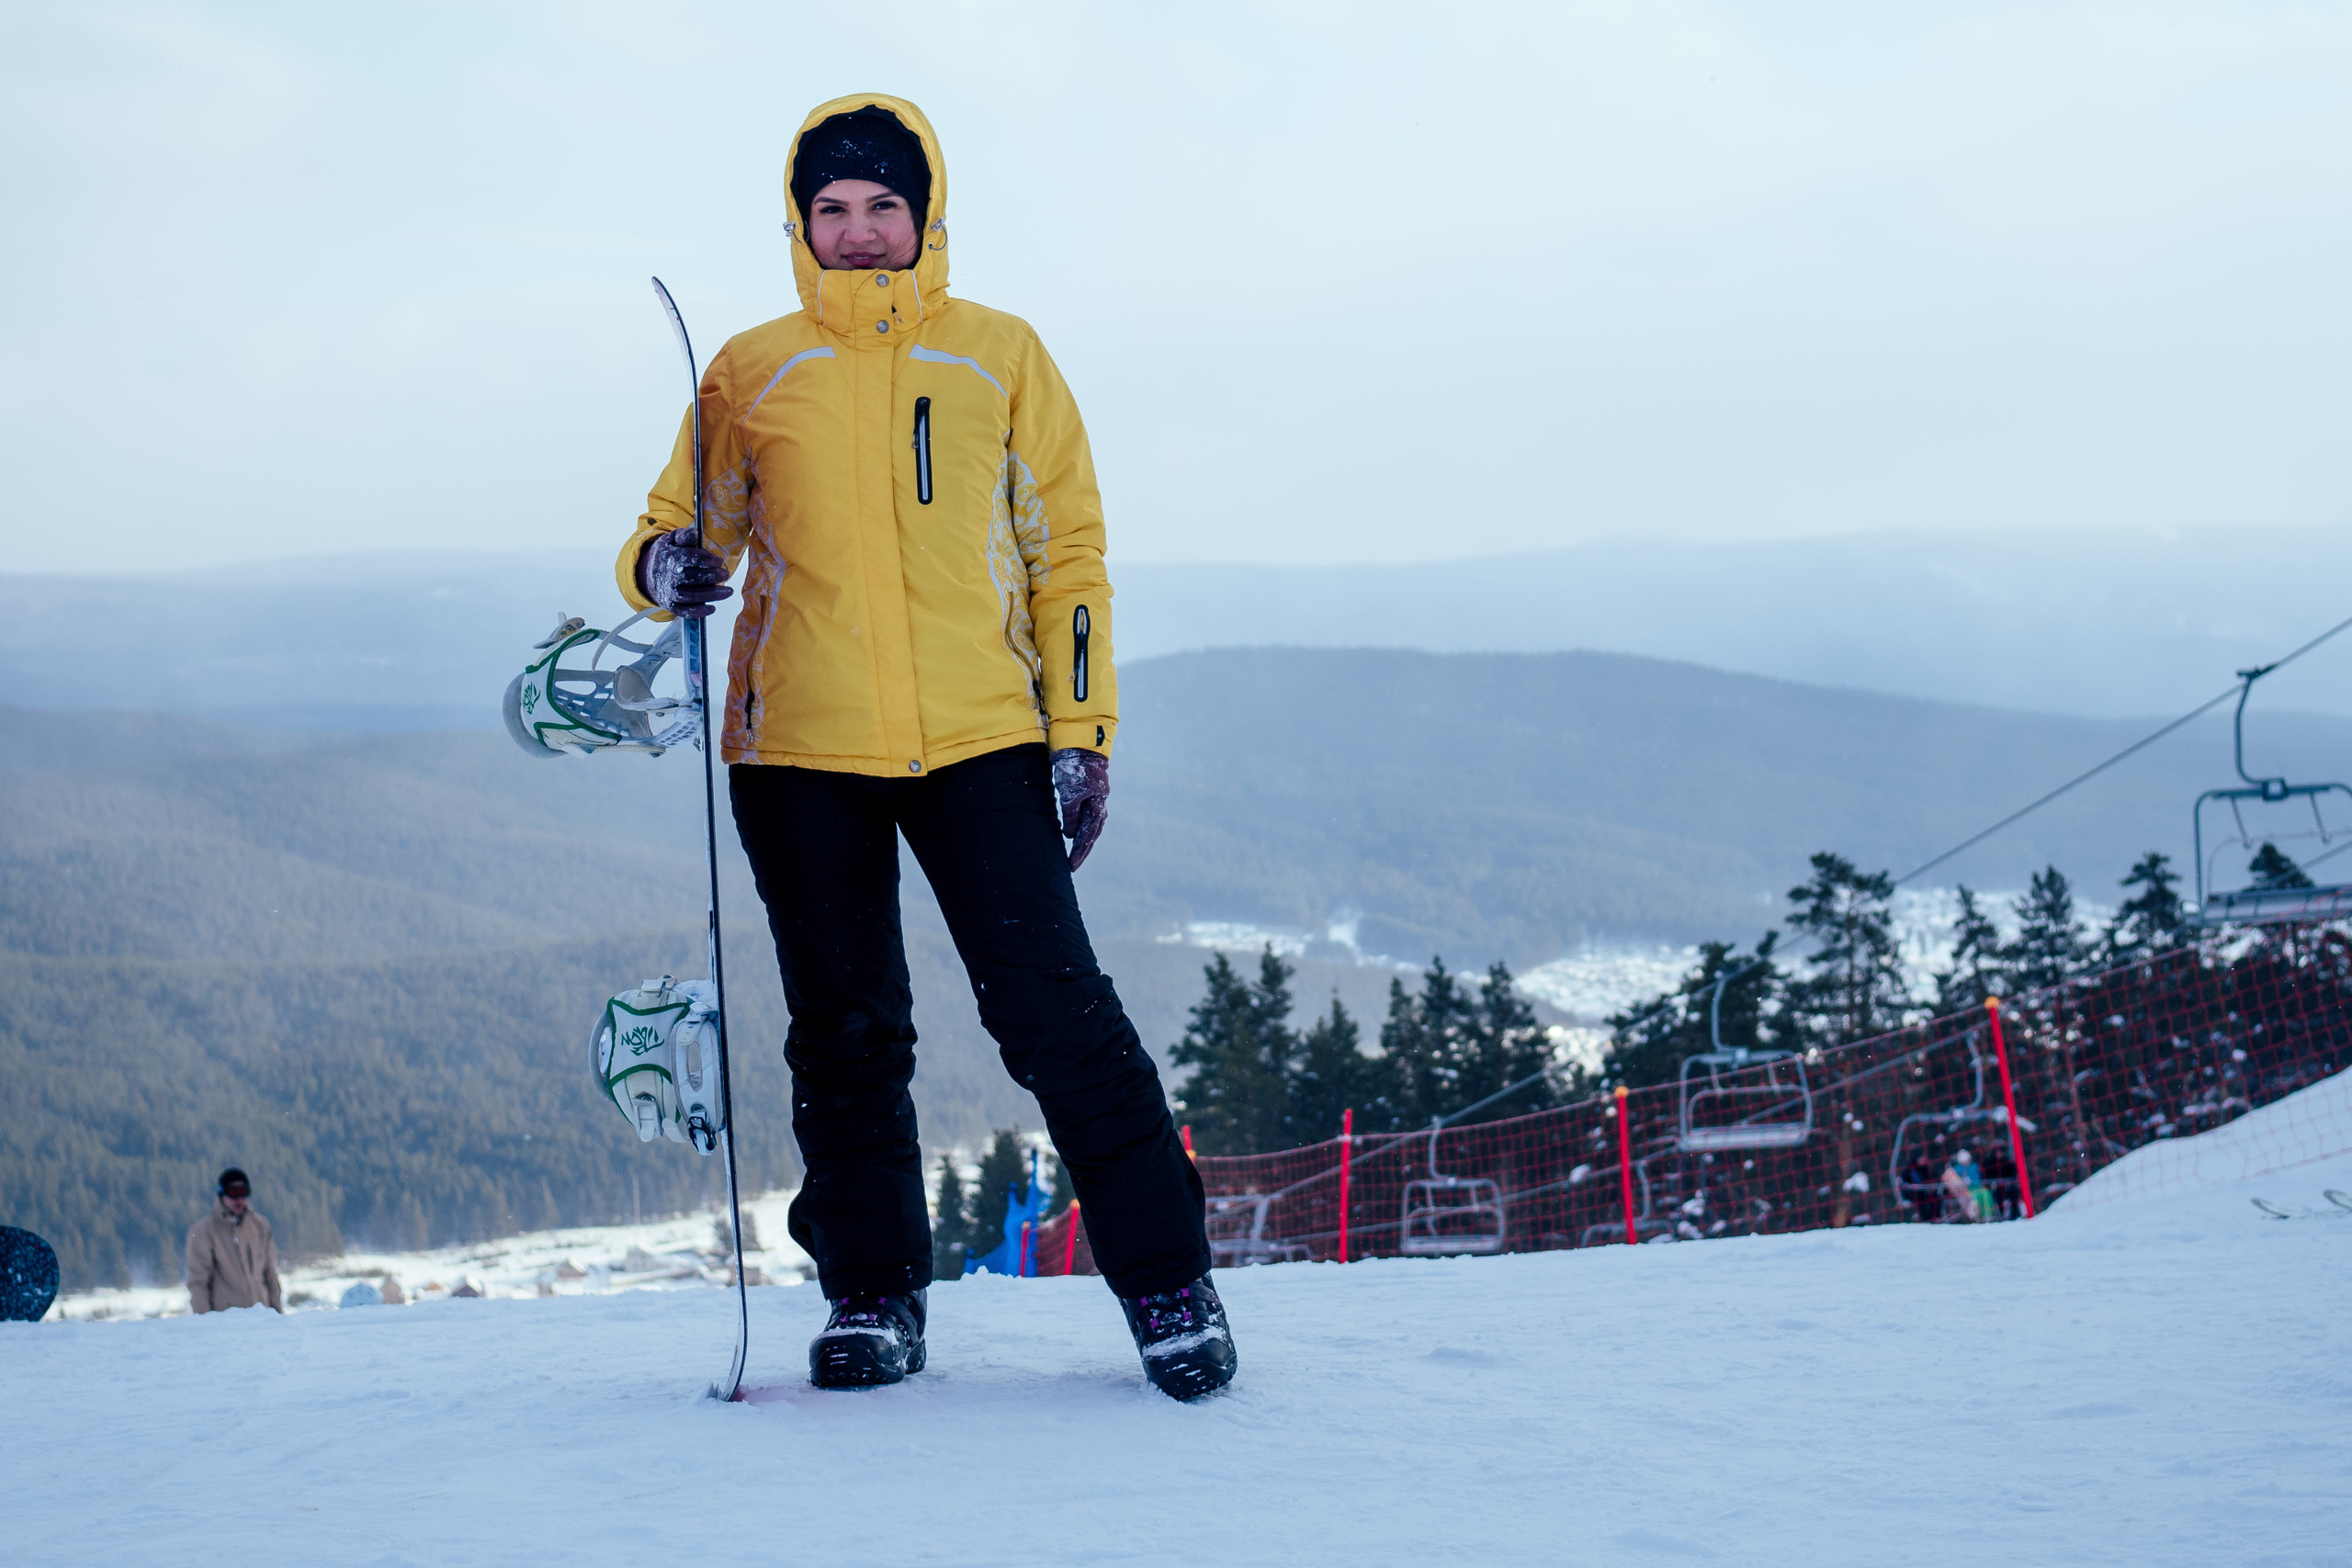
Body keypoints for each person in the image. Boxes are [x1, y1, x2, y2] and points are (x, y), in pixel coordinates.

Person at [616, 95, 1229, 1400]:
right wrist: (662, 564)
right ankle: (873, 1295)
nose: (856, 231)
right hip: (797, 747)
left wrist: (1084, 734)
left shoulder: (1001, 354)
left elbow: (1070, 554)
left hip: (982, 736)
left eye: (881, 206)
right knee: (845, 1033)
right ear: (801, 223)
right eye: (830, 210)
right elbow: (687, 526)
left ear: (925, 213)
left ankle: (1169, 1281)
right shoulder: (747, 368)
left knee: (1060, 1014)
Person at [186, 1168, 283, 1314]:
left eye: (243, 1192)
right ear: (222, 1194)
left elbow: (270, 1274)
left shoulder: (260, 1226)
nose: (239, 1199)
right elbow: (198, 1283)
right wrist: (205, 1323)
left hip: (262, 1317)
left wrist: (277, 1314)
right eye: (233, 1193)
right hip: (226, 1322)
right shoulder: (204, 1232)